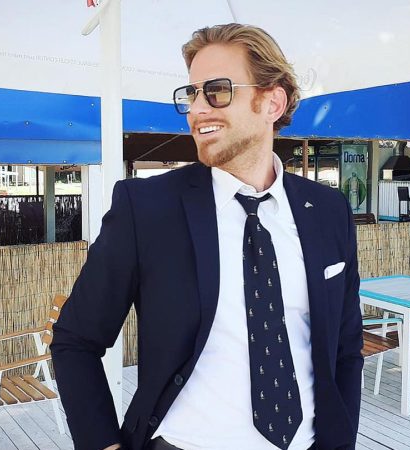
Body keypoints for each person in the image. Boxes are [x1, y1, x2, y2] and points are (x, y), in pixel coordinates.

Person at [51, 23, 363, 450]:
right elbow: (76, 340)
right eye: (191, 94)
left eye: (216, 91)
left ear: (272, 102)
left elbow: (345, 348)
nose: (197, 109)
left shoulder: (328, 211)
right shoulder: (147, 209)